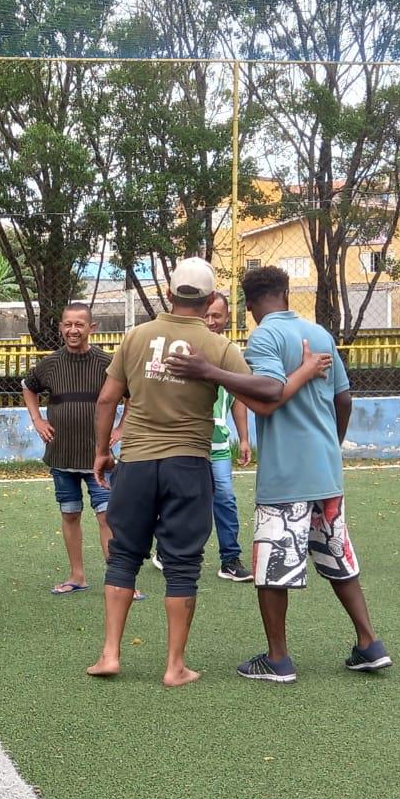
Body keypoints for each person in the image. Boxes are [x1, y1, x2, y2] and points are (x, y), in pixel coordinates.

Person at [167, 265, 390, 683]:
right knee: (338, 557)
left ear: (249, 306)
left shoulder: (265, 336)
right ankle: (369, 643)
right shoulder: (320, 333)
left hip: (286, 474)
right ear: (287, 293)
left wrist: (209, 372)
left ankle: (278, 659)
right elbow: (344, 398)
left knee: (272, 567)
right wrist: (330, 445)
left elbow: (268, 391)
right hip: (325, 470)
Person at [85, 257, 267, 686]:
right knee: (183, 563)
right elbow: (253, 395)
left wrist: (100, 451)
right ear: (208, 302)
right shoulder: (220, 347)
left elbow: (107, 399)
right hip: (189, 463)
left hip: (136, 461)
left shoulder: (135, 337)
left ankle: (110, 655)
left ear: (168, 294)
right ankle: (174, 666)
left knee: (125, 555)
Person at [22, 303, 123, 596]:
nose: (73, 330)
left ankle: (117, 579)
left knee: (107, 516)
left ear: (92, 328)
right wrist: (37, 419)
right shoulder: (50, 363)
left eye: (79, 324)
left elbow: (133, 395)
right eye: (68, 324)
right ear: (60, 328)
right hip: (62, 454)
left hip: (98, 457)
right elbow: (28, 387)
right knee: (70, 514)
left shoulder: (109, 363)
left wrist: (121, 428)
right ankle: (77, 575)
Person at [203, 292, 253, 582]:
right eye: (206, 315)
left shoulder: (231, 353)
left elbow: (239, 398)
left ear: (225, 319)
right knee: (177, 499)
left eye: (216, 316)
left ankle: (230, 559)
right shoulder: (185, 348)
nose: (211, 321)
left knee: (224, 498)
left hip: (219, 444)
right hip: (185, 443)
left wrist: (243, 438)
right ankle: (167, 550)